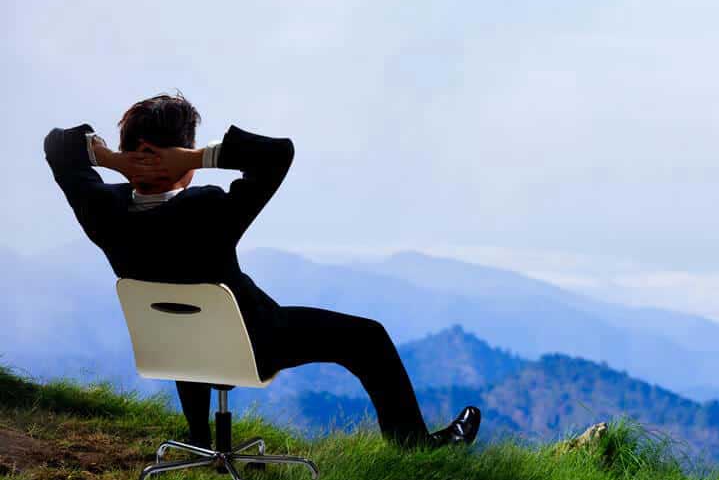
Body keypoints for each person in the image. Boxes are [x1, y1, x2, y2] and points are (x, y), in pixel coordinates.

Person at [43, 91, 480, 450]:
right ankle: (414, 447)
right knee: (367, 337)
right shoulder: (207, 208)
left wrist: (114, 161)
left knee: (181, 311)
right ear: (181, 156)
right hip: (252, 341)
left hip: (171, 350)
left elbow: (57, 144)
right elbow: (278, 154)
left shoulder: (103, 211)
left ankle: (198, 437)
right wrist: (199, 157)